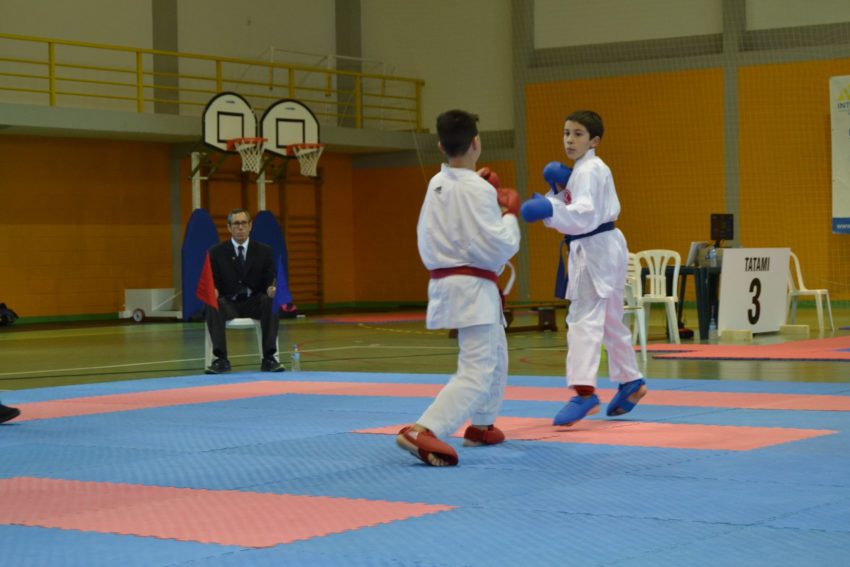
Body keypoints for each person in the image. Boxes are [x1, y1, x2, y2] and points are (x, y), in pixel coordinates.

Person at [396, 109, 521, 467]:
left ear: (440, 146)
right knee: (477, 369)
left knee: (496, 351)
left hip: (449, 282)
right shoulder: (477, 188)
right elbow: (498, 245)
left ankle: (482, 424)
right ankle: (424, 428)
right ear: (476, 142)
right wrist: (510, 213)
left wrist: (483, 188)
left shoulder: (436, 184)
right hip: (472, 286)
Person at [527, 110, 646, 426]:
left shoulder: (590, 169)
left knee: (583, 318)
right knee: (608, 317)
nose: (569, 139)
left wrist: (548, 207)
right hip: (605, 244)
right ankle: (631, 381)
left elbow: (583, 215)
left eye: (578, 134)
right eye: (566, 133)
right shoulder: (584, 169)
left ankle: (584, 392)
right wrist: (559, 191)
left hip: (595, 246)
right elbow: (581, 209)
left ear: (594, 140)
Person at [204, 208, 284, 374]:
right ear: (228, 227)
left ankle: (269, 359)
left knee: (270, 301)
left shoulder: (264, 250)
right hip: (229, 302)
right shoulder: (216, 252)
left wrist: (271, 288)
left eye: (243, 223)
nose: (240, 227)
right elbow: (213, 280)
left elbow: (270, 278)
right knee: (212, 303)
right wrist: (214, 290)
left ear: (250, 226)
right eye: (236, 224)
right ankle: (221, 360)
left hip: (254, 301)